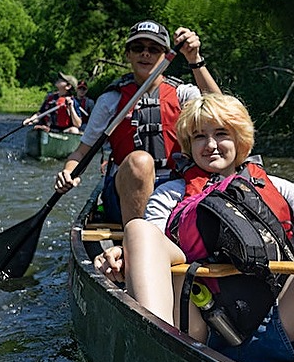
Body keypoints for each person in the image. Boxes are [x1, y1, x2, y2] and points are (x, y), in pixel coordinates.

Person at [95, 92, 294, 362]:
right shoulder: (171, 194)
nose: (210, 144)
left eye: (221, 133)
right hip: (198, 327)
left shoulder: (277, 187)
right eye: (199, 136)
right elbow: (148, 245)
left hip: (279, 322)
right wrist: (122, 250)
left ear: (239, 139)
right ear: (189, 144)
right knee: (138, 229)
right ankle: (157, 346)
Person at [54, 21, 220, 224]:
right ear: (128, 54)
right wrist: (68, 172)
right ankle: (138, 241)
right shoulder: (110, 100)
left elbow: (221, 110)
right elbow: (81, 152)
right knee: (140, 162)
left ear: (167, 55)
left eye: (154, 49)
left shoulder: (183, 94)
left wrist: (194, 60)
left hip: (177, 188)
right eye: (138, 48)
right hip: (124, 192)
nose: (146, 54)